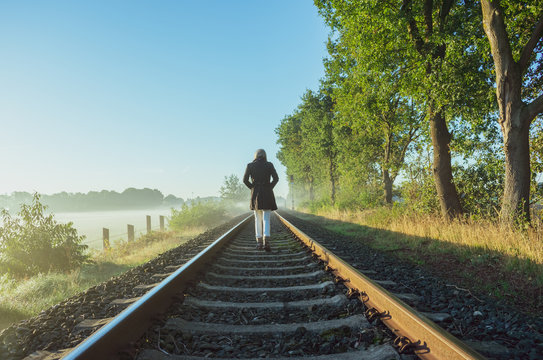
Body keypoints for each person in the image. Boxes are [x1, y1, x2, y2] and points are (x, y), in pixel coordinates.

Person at [243, 149, 279, 251]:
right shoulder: (269, 165)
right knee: (266, 218)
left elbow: (244, 180)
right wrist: (269, 187)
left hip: (256, 194)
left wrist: (253, 188)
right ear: (264, 155)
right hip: (267, 193)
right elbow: (276, 178)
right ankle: (266, 241)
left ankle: (259, 242)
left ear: (256, 156)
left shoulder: (250, 165)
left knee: (257, 218)